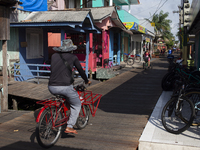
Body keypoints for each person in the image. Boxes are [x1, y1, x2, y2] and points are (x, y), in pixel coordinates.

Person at [48, 39, 91, 134]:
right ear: (71, 49)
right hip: (65, 87)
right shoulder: (73, 57)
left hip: (51, 86)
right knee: (76, 104)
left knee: (63, 97)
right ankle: (70, 126)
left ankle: (59, 114)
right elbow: (80, 70)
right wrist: (86, 80)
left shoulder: (54, 56)